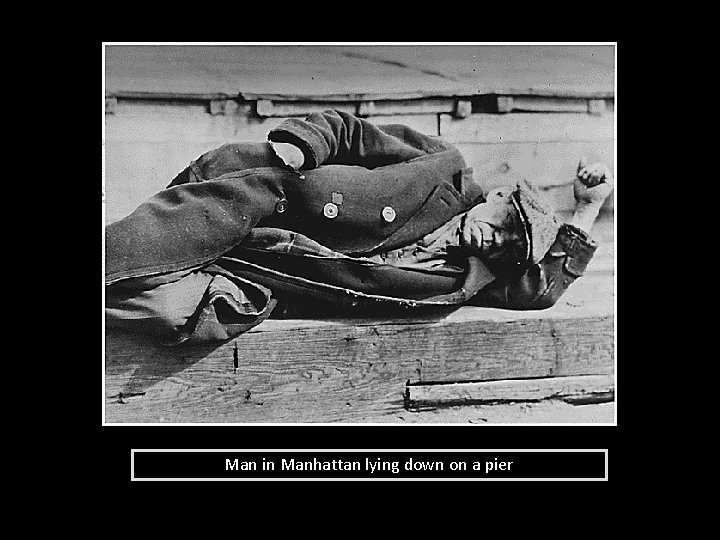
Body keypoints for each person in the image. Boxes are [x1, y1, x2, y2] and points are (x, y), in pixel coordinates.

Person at [105, 109, 613, 345]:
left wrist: (588, 207)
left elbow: (540, 289)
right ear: (500, 196)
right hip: (254, 196)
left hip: (265, 273)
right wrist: (303, 146)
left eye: (509, 246)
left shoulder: (466, 276)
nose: (496, 239)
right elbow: (349, 130)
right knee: (134, 251)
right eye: (505, 223)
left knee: (165, 309)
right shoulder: (441, 165)